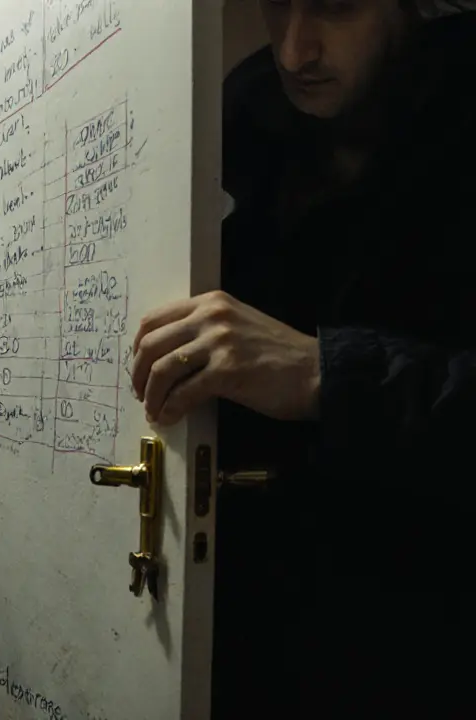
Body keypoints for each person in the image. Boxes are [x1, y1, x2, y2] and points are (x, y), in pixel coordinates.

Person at [129, 2, 475, 717]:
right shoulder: (243, 142)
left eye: (336, 6)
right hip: (243, 639)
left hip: (424, 649)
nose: (293, 50)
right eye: (276, 2)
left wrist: (327, 373)